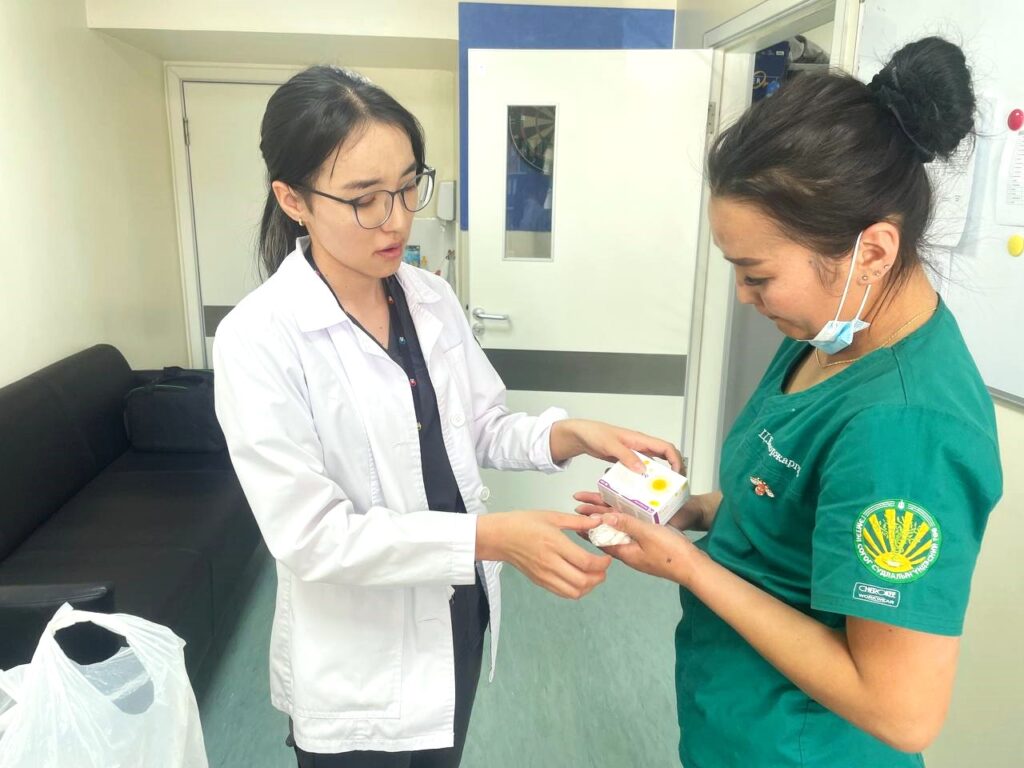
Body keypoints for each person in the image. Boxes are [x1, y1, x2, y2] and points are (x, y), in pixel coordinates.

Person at [212, 65, 682, 768]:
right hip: (357, 657)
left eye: (408, 187)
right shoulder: (260, 338)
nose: (397, 218)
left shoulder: (427, 297)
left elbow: (477, 425)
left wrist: (571, 434)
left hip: (456, 611)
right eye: (365, 199)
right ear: (293, 200)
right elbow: (311, 536)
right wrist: (492, 538)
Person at [575, 37, 1002, 767]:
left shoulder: (906, 429)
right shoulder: (833, 333)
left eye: (758, 274)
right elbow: (790, 506)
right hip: (738, 722)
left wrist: (690, 567)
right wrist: (695, 510)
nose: (744, 296)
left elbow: (901, 712)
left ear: (872, 253)